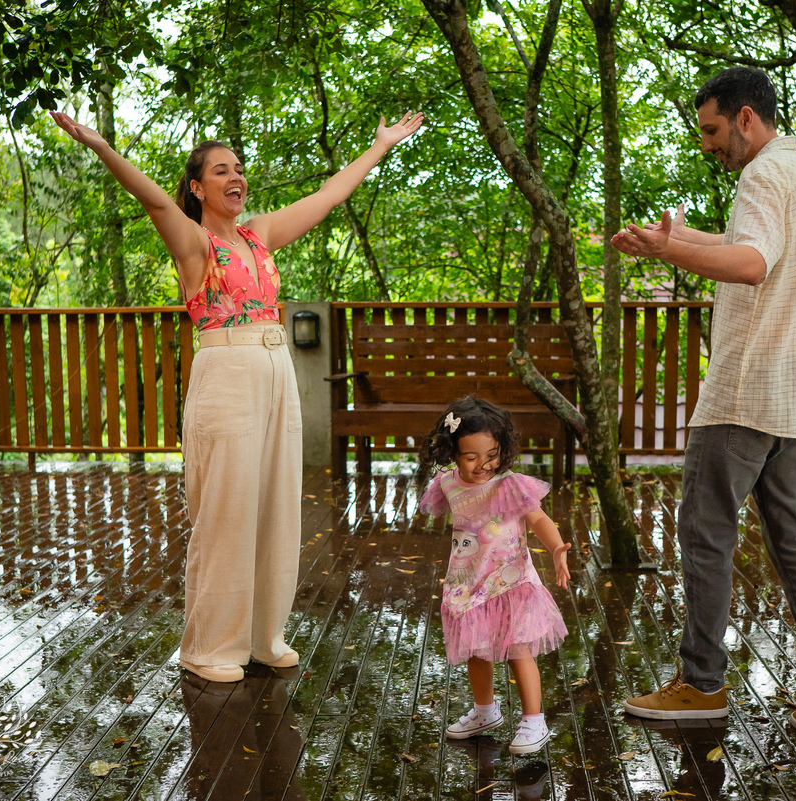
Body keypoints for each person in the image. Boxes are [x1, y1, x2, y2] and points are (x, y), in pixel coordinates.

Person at [50, 107, 423, 683]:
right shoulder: (194, 242)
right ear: (198, 187)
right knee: (226, 511)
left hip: (277, 370)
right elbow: (153, 201)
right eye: (221, 170)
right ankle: (209, 647)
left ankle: (261, 636)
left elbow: (328, 196)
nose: (236, 177)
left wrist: (380, 147)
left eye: (240, 168)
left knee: (275, 506)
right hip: (226, 372)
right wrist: (101, 145)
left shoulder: (261, 235)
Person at [610, 67, 796, 739]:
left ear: (747, 118)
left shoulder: (760, 177)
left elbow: (752, 263)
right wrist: (668, 241)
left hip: (746, 393)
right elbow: (747, 249)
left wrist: (674, 250)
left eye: (712, 129)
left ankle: (700, 684)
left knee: (704, 534)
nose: (707, 144)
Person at [418, 397, 571, 755]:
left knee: (519, 648)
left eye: (492, 454)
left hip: (511, 580)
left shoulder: (510, 483)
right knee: (476, 650)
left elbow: (538, 520)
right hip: (468, 582)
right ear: (452, 452)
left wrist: (556, 548)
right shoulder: (447, 483)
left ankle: (534, 720)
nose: (483, 465)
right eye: (471, 457)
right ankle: (485, 711)